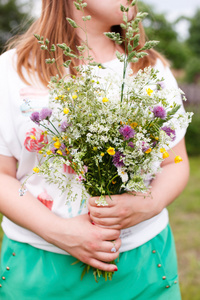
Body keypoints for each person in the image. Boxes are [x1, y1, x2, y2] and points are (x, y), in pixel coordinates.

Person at [0, 1, 189, 299]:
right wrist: (60, 232)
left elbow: (175, 164)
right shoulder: (13, 71)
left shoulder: (150, 69)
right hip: (40, 269)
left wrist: (146, 205)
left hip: (144, 265)